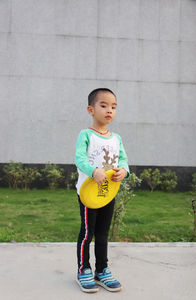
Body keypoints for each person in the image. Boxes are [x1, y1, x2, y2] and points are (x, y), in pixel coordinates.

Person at [75, 88, 129, 293]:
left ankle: (102, 270)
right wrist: (92, 170)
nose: (109, 110)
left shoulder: (116, 138)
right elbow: (79, 158)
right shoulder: (86, 135)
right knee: (88, 233)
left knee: (103, 233)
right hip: (89, 194)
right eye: (103, 105)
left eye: (113, 107)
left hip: (108, 192)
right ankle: (83, 269)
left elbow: (123, 159)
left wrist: (124, 170)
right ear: (91, 109)